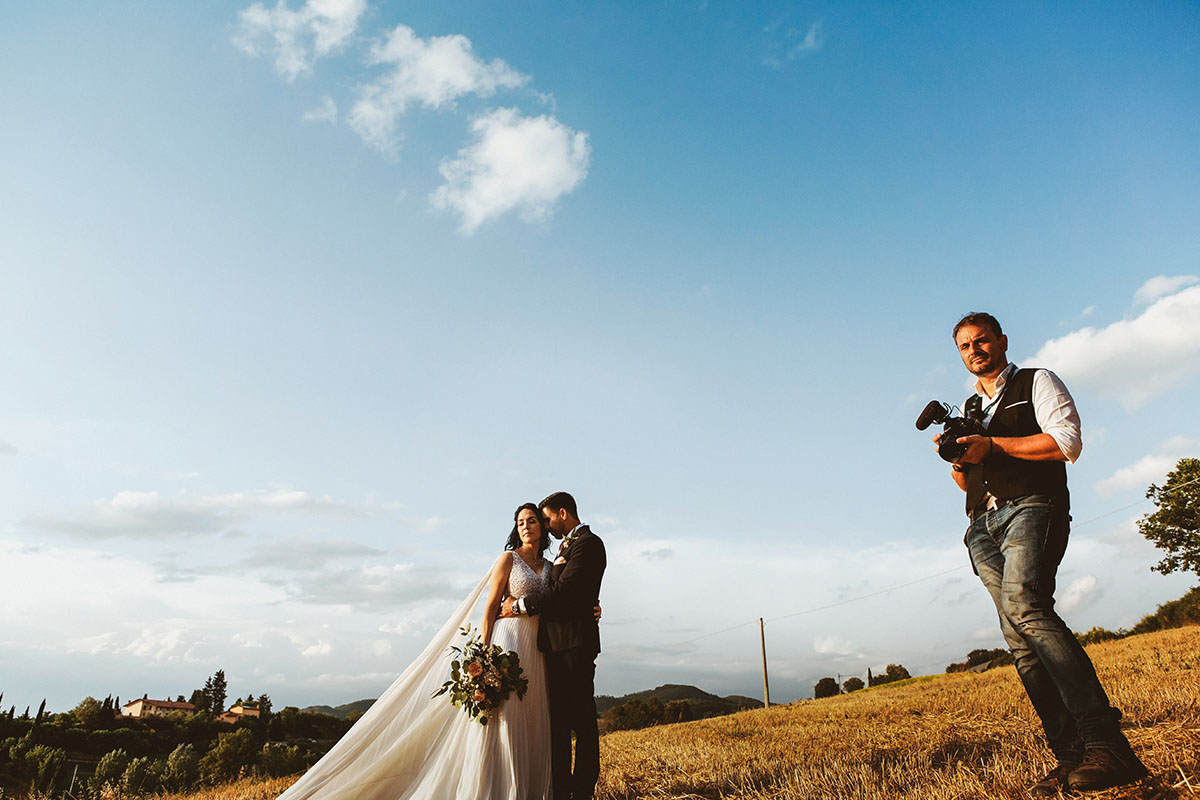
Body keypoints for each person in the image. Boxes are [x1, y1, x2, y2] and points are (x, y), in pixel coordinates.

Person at [941, 312, 1147, 795]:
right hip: (982, 524)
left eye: (983, 341)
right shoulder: (971, 407)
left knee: (1029, 609)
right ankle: (1072, 756)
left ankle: (1107, 743)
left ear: (1002, 341)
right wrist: (960, 458)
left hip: (1033, 506)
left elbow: (1066, 443)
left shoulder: (1037, 381)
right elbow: (966, 481)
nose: (975, 350)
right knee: (1018, 639)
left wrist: (992, 443)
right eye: (965, 346)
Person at [274, 502, 587, 800]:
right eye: (520, 522)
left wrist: (590, 609)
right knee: (504, 718)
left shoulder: (549, 566)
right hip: (508, 643)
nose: (526, 526)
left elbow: (560, 600)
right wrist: (484, 653)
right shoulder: (508, 559)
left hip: (537, 648)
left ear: (542, 527)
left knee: (531, 720)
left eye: (532, 520)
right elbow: (490, 609)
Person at [502, 491, 606, 800]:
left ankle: (583, 791)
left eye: (545, 518)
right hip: (551, 648)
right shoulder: (565, 547)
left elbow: (564, 591)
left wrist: (519, 606)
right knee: (557, 727)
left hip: (575, 645)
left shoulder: (589, 543)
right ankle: (560, 791)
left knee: (583, 724)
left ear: (563, 513)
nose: (544, 525)